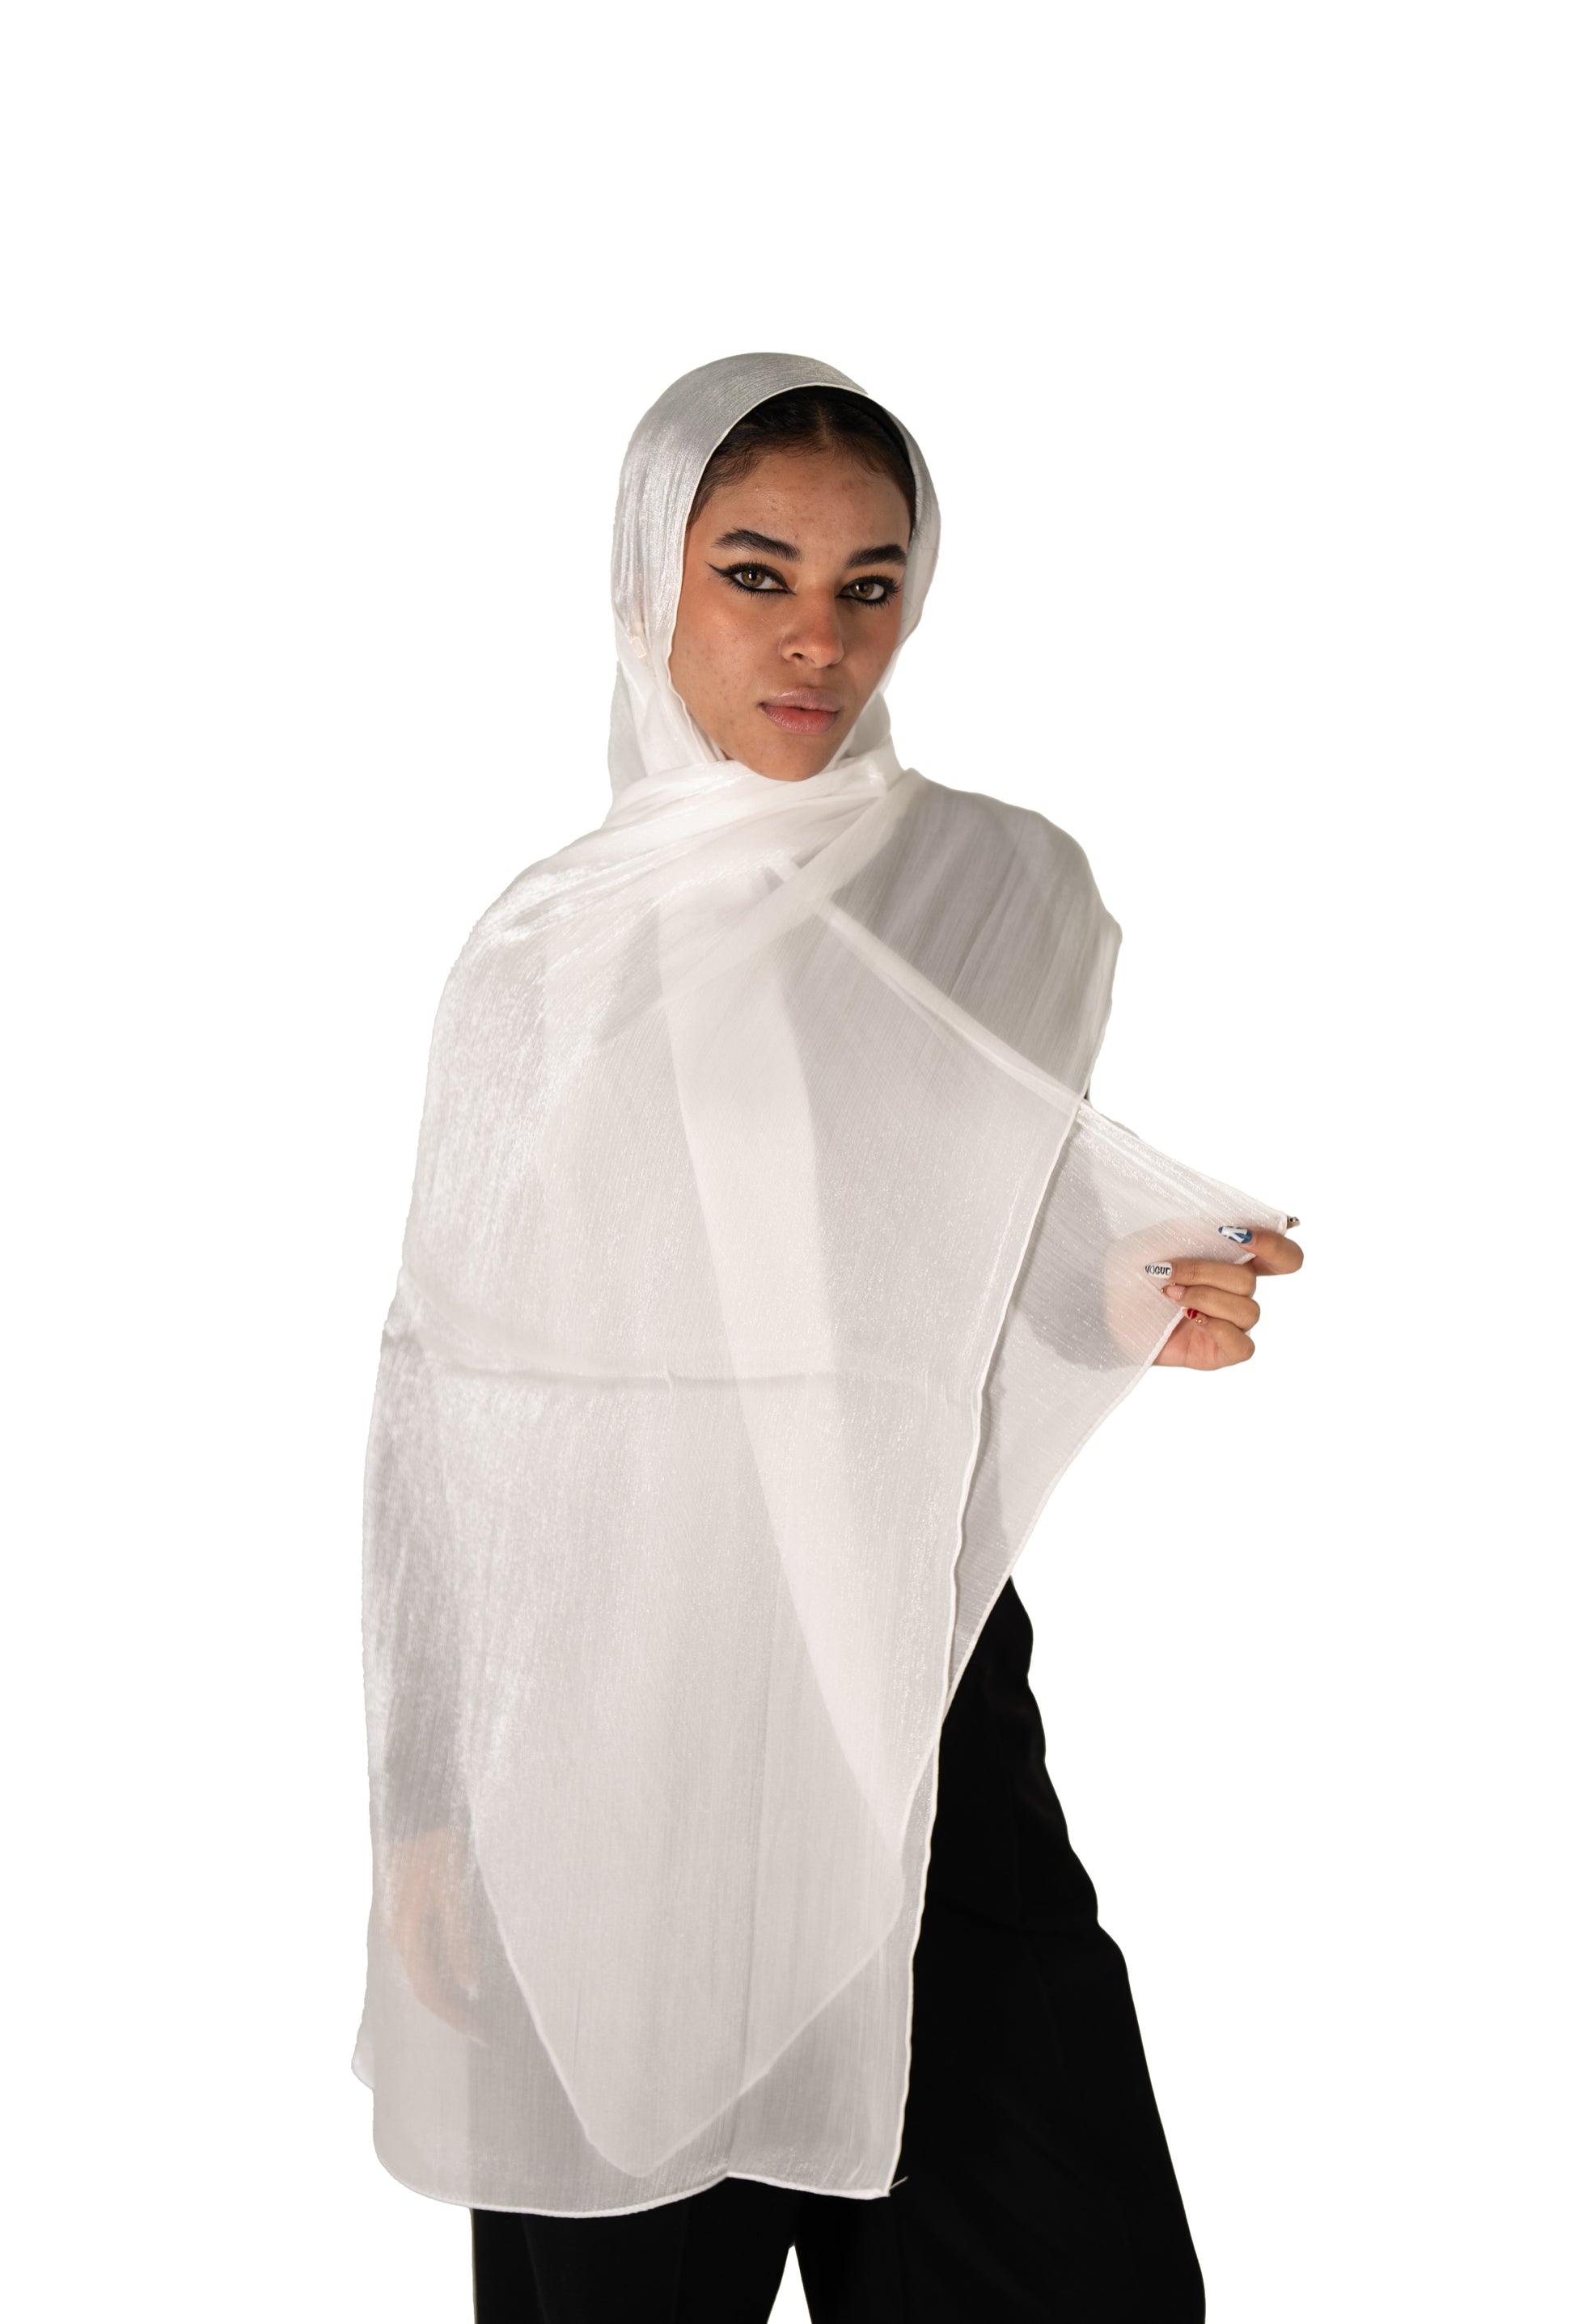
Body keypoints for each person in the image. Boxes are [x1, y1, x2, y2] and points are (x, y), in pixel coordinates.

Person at [353, 354, 1302, 2322]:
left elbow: (954, 1235)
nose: (817, 638)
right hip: (610, 1747)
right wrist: (434, 1798)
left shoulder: (1001, 886)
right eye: (755, 574)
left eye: (869, 585)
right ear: (650, 580)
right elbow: (455, 1396)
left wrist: (1126, 1290)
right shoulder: (549, 949)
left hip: (913, 1704)